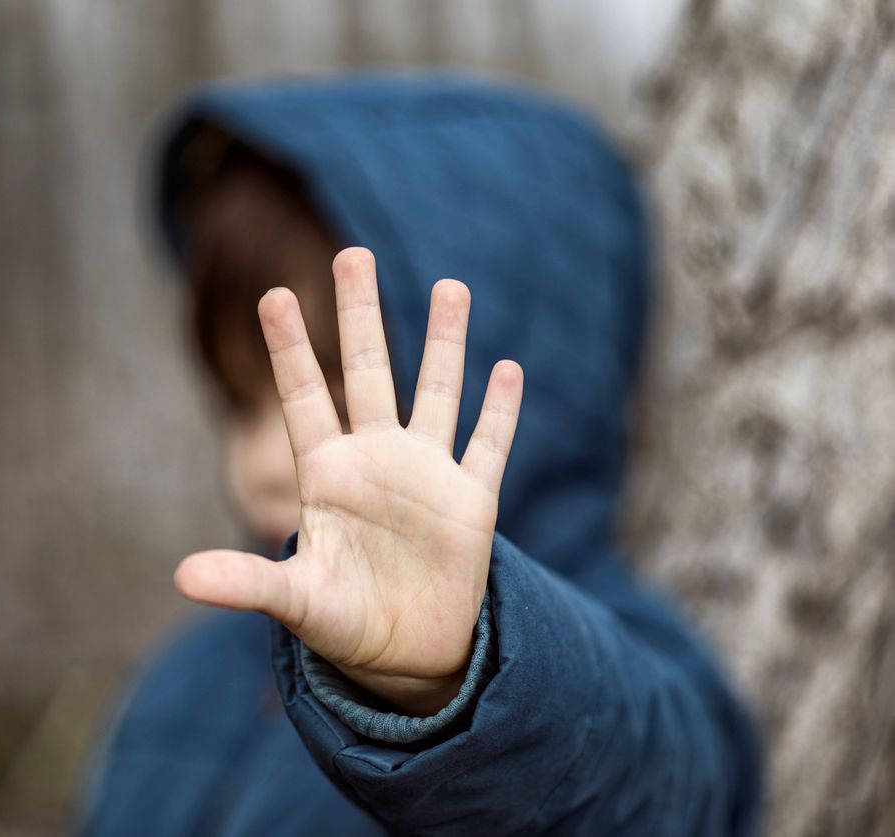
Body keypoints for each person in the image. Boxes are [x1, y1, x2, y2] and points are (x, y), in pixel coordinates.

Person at [77, 74, 763, 836]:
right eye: (240, 400)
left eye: (331, 398)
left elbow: (660, 791)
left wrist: (455, 682)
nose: (264, 461)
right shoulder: (181, 685)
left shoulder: (614, 678)